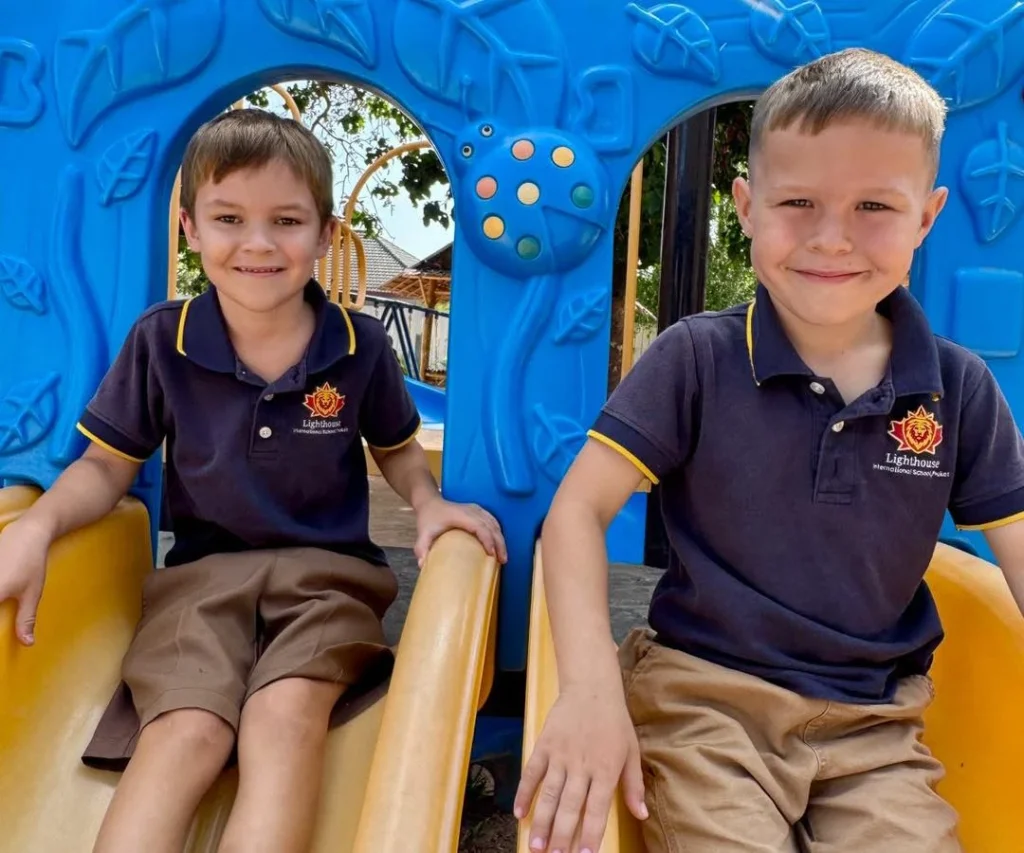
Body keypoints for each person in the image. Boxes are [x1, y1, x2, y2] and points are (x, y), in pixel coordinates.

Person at [514, 47, 1024, 853]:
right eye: (798, 201)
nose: (831, 238)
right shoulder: (695, 359)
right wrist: (589, 688)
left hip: (875, 725)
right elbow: (577, 511)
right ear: (747, 207)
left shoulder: (956, 389)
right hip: (706, 703)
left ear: (926, 218)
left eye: (874, 208)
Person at [0, 108, 506, 853]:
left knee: (283, 715)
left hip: (329, 584)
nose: (259, 243)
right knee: (184, 729)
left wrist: (429, 503)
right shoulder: (161, 342)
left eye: (288, 220)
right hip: (200, 583)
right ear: (190, 228)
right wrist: (38, 526)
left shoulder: (357, 345)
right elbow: (107, 466)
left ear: (326, 234)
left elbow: (397, 448)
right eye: (230, 217)